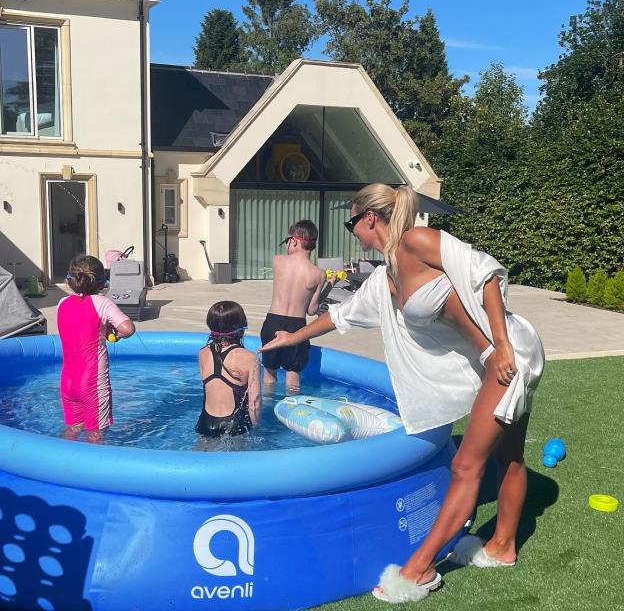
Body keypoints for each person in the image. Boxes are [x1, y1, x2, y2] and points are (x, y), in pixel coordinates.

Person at [259, 183, 545, 603]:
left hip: (507, 354)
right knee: (510, 456)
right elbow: (340, 315)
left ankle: (420, 569)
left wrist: (501, 345)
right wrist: (291, 338)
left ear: (369, 219)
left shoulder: (416, 241)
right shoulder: (384, 276)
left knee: (466, 465)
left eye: (351, 222)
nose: (350, 231)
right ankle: (502, 547)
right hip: (492, 356)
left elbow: (486, 273)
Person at [57, 254, 135, 443]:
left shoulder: (62, 304)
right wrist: (115, 335)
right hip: (91, 383)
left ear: (70, 280)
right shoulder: (102, 303)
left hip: (67, 380)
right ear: (102, 283)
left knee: (72, 429)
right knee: (95, 434)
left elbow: (79, 327)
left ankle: (60, 464)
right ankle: (90, 470)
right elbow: (128, 328)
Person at [260, 220, 327, 391]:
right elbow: (312, 310)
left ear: (294, 241)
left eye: (288, 241)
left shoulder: (278, 261)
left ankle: (267, 409)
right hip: (297, 326)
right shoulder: (319, 274)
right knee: (293, 374)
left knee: (269, 373)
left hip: (272, 322)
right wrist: (330, 285)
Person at [196, 301, 261, 438]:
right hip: (234, 426)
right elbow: (254, 402)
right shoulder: (250, 358)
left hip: (205, 423)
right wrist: (256, 428)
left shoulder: (202, 353)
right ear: (242, 327)